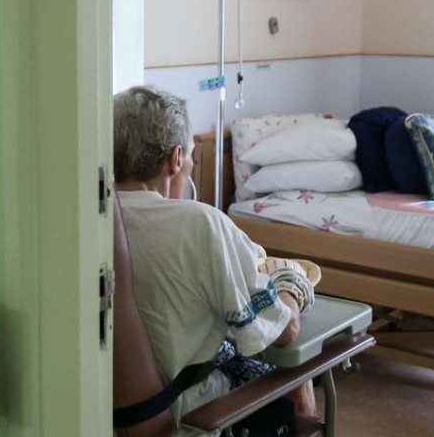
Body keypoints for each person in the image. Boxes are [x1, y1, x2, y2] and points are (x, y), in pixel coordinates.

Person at [113, 85, 316, 425]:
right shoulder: (203, 226)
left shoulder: (93, 220)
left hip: (117, 408)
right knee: (300, 372)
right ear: (177, 158)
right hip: (188, 406)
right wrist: (291, 284)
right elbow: (284, 330)